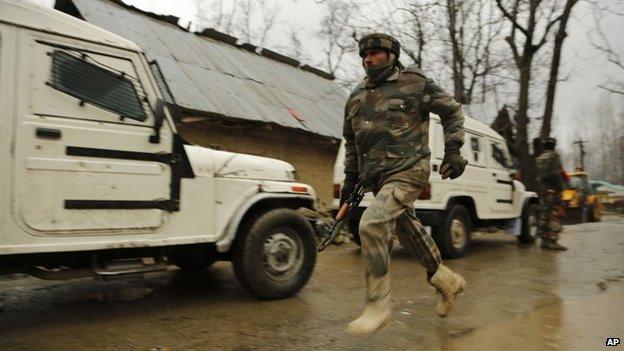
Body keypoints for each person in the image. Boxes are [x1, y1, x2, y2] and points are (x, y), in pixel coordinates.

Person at [341, 33, 468, 336]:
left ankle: (378, 305)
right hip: (377, 179)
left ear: (392, 55)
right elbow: (351, 142)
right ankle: (446, 279)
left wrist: (453, 150)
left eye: (375, 53)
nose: (368, 59)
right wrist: (349, 179)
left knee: (372, 223)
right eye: (364, 54)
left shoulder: (415, 83)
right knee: (406, 230)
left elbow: (451, 110)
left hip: (410, 170)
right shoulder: (356, 97)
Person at [535, 137, 568, 251]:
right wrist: (559, 189)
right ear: (554, 146)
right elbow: (555, 175)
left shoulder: (539, 158)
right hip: (553, 191)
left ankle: (544, 240)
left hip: (543, 191)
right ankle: (552, 240)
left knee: (544, 215)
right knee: (555, 215)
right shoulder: (554, 156)